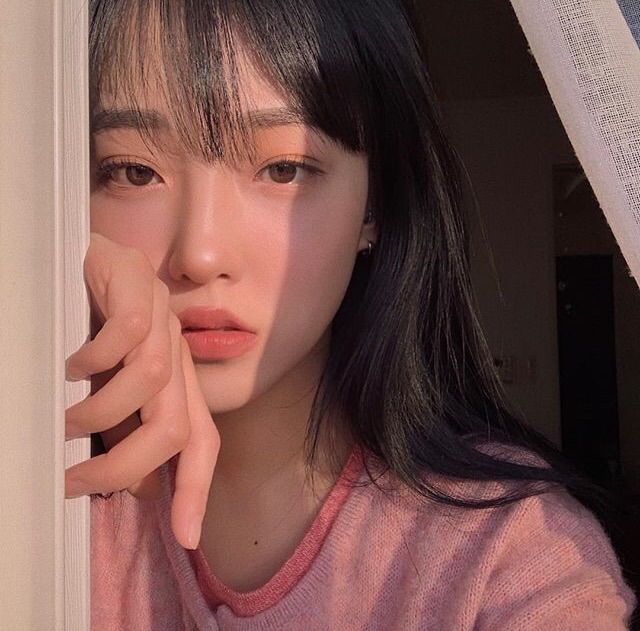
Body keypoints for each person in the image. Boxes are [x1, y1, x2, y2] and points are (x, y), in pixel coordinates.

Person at [65, 0, 638, 628]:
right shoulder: (48, 487)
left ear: (375, 205)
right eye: (133, 172)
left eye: (283, 168)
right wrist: (38, 279)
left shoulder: (511, 555)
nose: (200, 256)